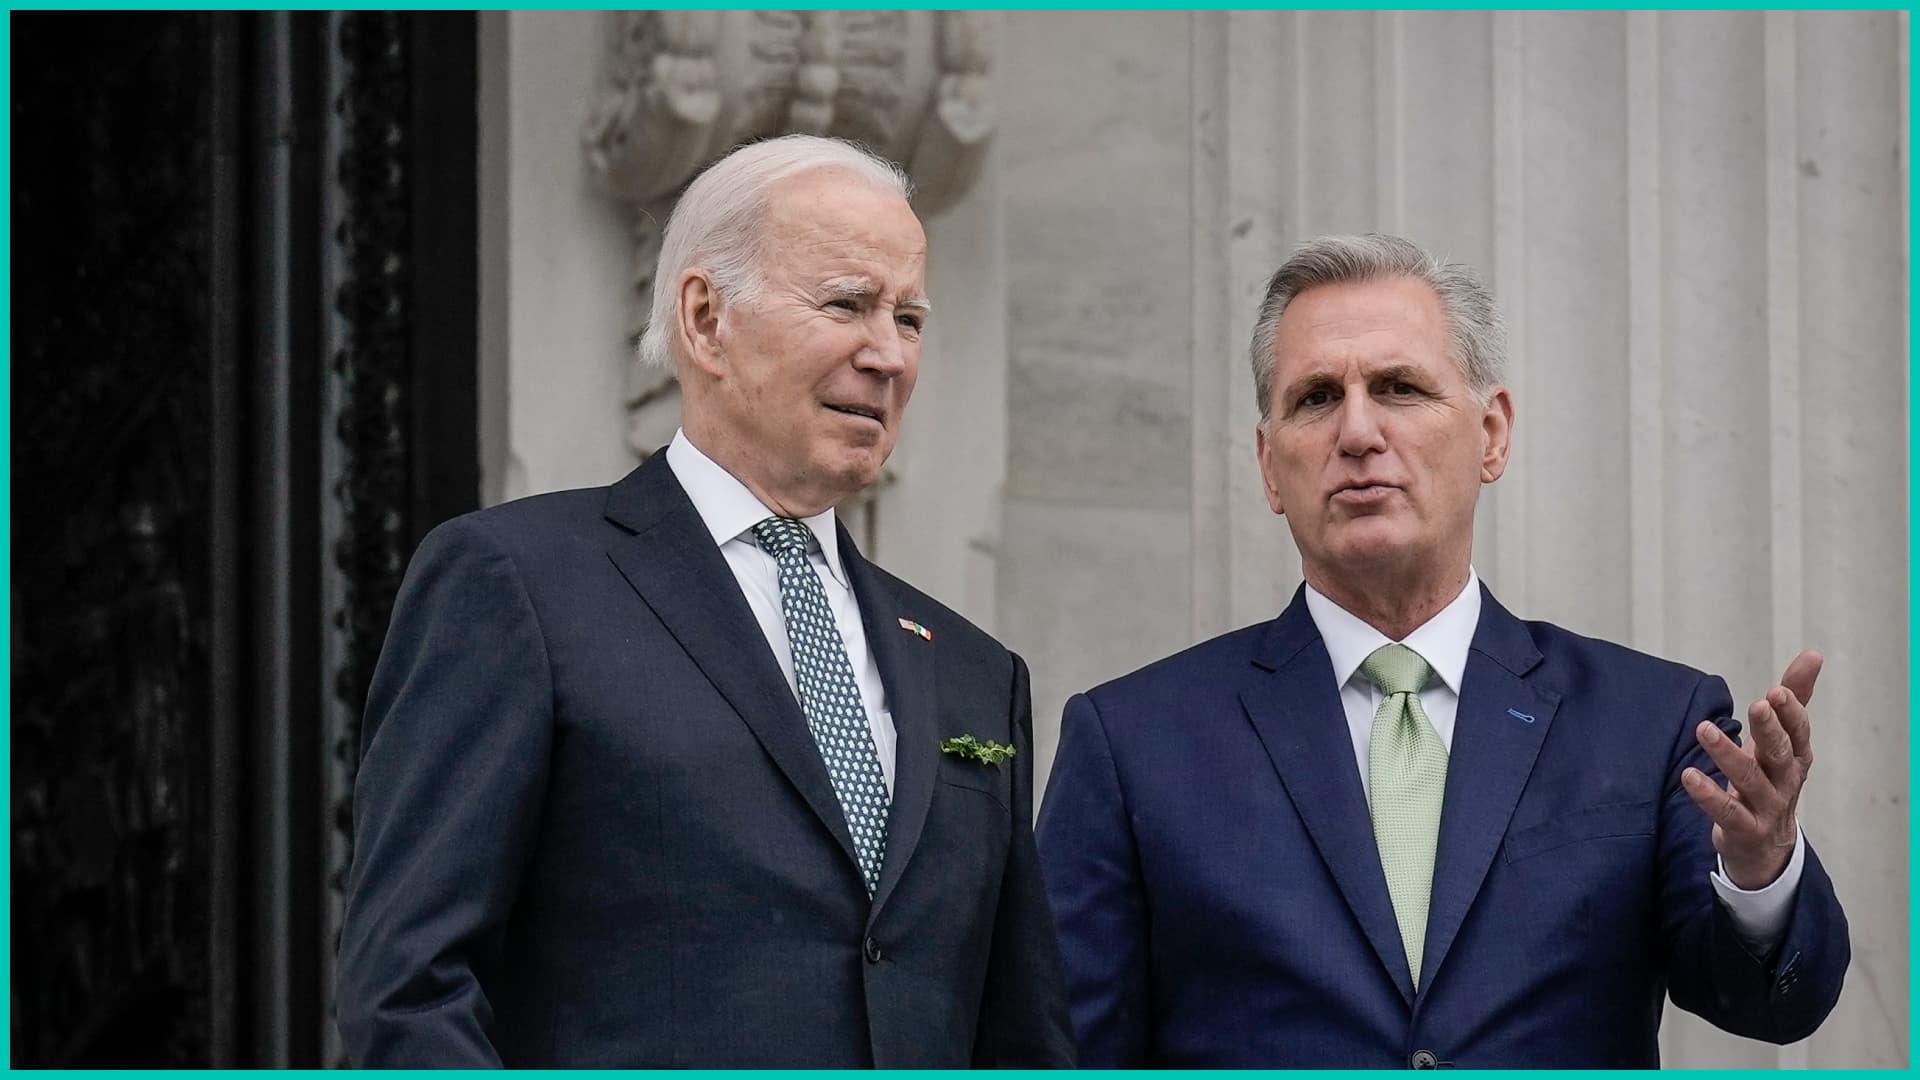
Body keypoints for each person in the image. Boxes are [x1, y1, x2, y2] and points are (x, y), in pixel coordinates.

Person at [335, 135, 1072, 1068]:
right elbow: (410, 997)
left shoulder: (973, 669)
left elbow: (1023, 1037)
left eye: (911, 318)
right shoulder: (516, 583)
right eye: (846, 304)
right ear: (704, 317)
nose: (888, 354)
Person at [1036, 234, 1848, 1068]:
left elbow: (1768, 1006)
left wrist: (1760, 870)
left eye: (1398, 388)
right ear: (1269, 466)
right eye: (1316, 398)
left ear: (1492, 433)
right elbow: (1065, 1048)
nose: (1357, 432)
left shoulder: (1649, 722)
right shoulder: (1132, 742)